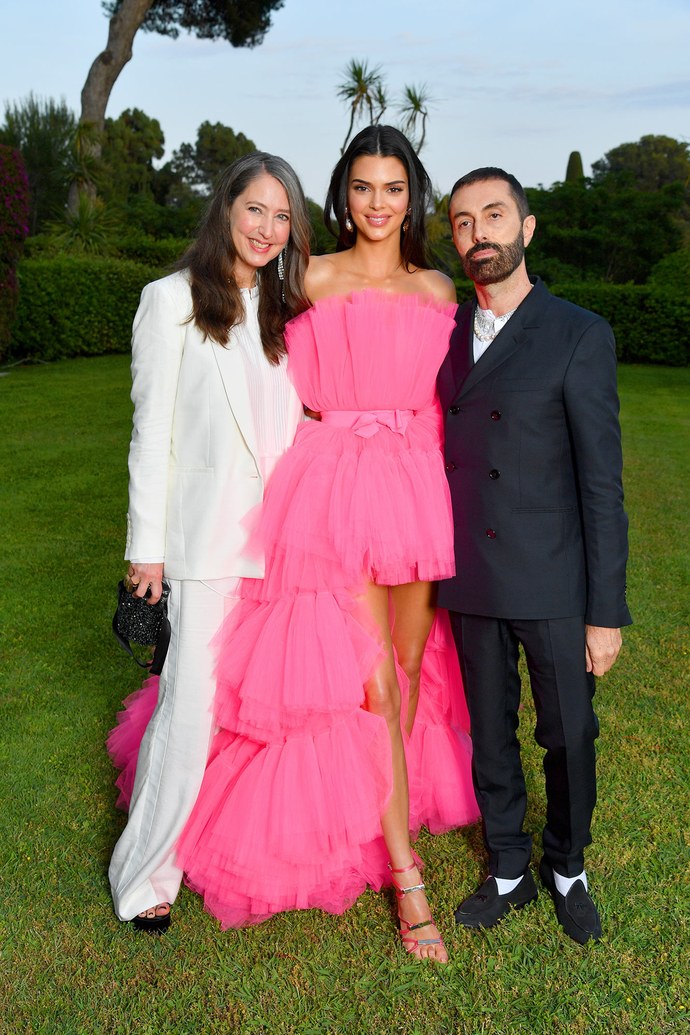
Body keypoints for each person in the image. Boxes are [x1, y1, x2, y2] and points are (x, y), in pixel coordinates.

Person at [174, 126, 479, 963]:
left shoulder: (437, 286)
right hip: (332, 485)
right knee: (372, 681)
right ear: (342, 195)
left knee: (412, 670)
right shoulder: (304, 276)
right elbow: (233, 339)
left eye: (392, 188)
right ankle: (408, 879)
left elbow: (453, 394)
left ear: (411, 195)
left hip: (415, 482)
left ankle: (384, 810)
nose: (376, 205)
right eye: (361, 188)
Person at [107, 152, 311, 933]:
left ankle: (229, 851)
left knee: (249, 715)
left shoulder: (283, 312)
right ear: (225, 207)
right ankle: (143, 873)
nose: (266, 227)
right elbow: (149, 432)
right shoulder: (170, 301)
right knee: (187, 713)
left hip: (278, 549)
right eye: (254, 208)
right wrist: (145, 551)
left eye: (281, 215)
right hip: (201, 550)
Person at [438, 167, 631, 944]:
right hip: (471, 573)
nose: (478, 232)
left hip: (553, 575)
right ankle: (510, 865)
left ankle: (568, 862)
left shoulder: (578, 333)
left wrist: (603, 612)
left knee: (568, 733)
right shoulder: (445, 333)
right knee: (490, 730)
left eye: (493, 215)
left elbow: (602, 486)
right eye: (461, 222)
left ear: (527, 227)